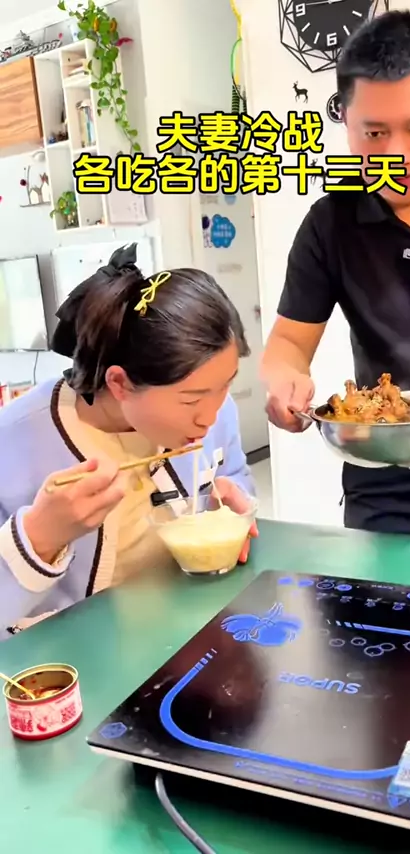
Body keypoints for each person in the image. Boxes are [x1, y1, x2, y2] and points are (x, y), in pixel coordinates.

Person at [261, 9, 410, 543]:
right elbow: (289, 342)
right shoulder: (331, 222)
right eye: (374, 132)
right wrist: (285, 382)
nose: (396, 155)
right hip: (389, 481)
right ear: (345, 119)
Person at [0, 244, 257, 639]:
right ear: (119, 382)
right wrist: (40, 536)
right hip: (76, 661)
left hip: (186, 641)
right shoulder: (17, 441)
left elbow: (234, 475)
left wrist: (235, 504)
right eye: (191, 399)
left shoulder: (216, 410)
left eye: (226, 385)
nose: (210, 415)